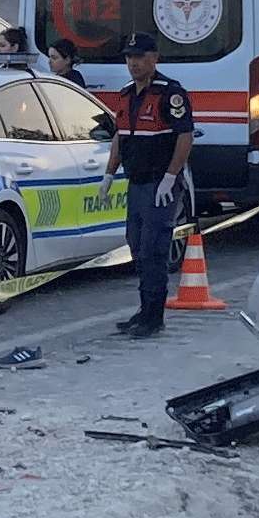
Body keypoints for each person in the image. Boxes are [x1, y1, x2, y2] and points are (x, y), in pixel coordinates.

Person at [97, 32, 194, 339]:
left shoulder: (170, 93)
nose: (133, 63)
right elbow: (120, 136)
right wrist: (109, 174)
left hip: (159, 182)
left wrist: (170, 176)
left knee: (154, 249)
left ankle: (155, 316)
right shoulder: (126, 94)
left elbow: (185, 136)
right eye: (129, 57)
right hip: (136, 182)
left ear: (154, 58)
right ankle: (144, 309)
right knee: (137, 246)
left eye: (139, 57)